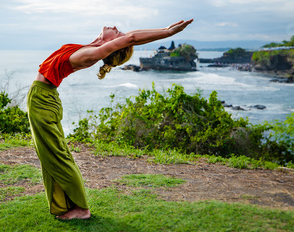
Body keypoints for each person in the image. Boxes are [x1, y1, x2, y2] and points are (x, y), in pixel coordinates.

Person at [26, 19, 193, 220]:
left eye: (118, 32)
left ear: (113, 46)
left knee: (57, 155)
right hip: (43, 98)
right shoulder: (92, 47)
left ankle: (81, 209)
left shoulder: (92, 55)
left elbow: (131, 37)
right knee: (52, 154)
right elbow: (129, 37)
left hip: (42, 100)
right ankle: (66, 204)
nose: (115, 27)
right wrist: (123, 38)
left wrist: (167, 32)